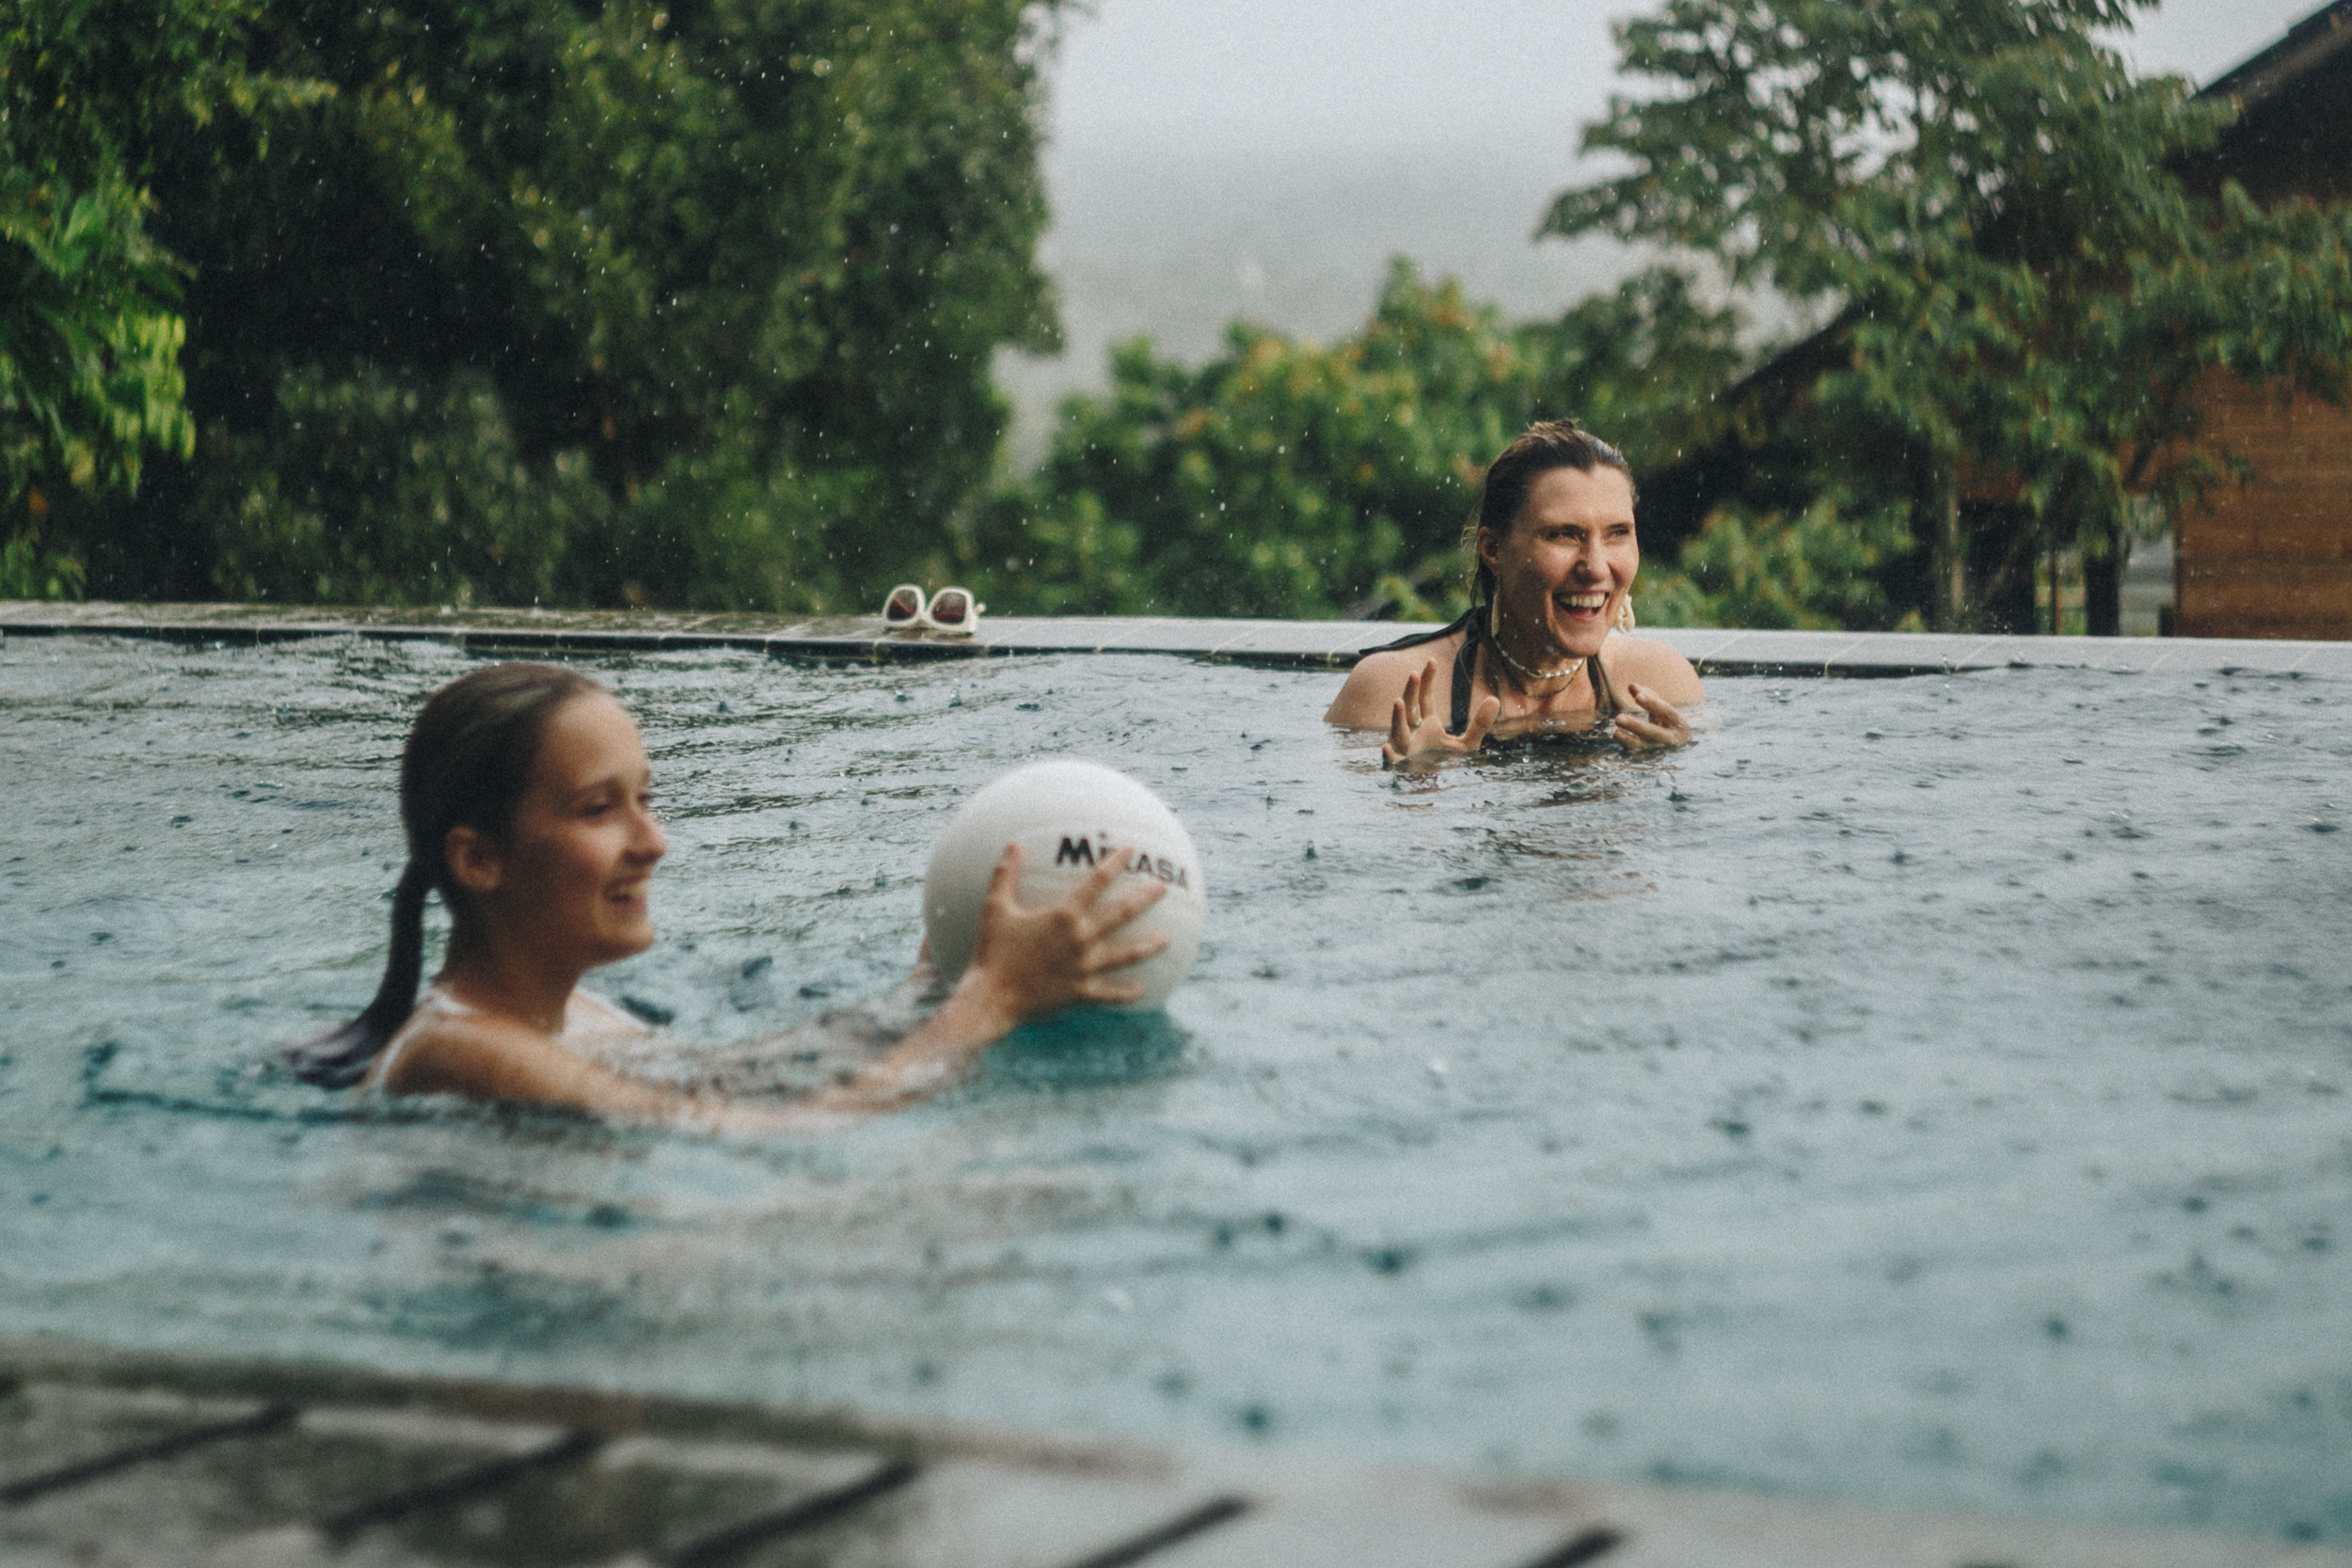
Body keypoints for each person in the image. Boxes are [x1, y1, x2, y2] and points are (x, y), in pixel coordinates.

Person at [289, 662, 1167, 1133]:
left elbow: (743, 1081)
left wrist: (927, 991)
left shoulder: (578, 1017)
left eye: (646, 796)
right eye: (601, 808)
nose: (652, 841)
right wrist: (991, 1003)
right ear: (478, 859)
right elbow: (777, 1142)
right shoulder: (459, 1051)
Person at [1325, 420, 1705, 766]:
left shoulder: (1663, 683)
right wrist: (1413, 795)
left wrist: (1673, 763)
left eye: (1617, 533)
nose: (1597, 567)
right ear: (1493, 550)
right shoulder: (1392, 692)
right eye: (1562, 535)